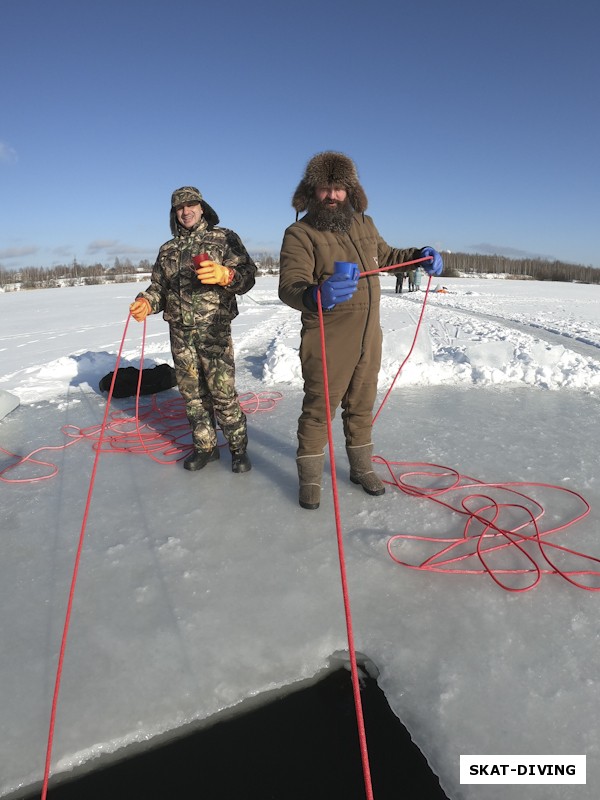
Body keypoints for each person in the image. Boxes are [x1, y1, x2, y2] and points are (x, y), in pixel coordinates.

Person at [278, 151, 442, 510]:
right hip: (328, 335)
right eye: (325, 188)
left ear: (350, 190)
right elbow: (289, 286)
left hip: (370, 334)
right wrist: (315, 294)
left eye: (340, 188)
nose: (333, 196)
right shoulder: (300, 233)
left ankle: (361, 467)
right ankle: (309, 478)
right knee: (319, 409)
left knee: (362, 406)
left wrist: (420, 254)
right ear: (312, 190)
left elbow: (387, 256)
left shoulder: (364, 224)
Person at [129, 186, 256, 473]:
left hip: (214, 330)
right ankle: (205, 448)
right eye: (179, 208)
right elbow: (159, 288)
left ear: (201, 207)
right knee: (193, 395)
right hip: (181, 333)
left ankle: (238, 450)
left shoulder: (223, 238)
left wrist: (228, 275)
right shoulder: (168, 249)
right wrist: (147, 302)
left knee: (222, 393)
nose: (185, 212)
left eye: (190, 205)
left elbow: (248, 276)